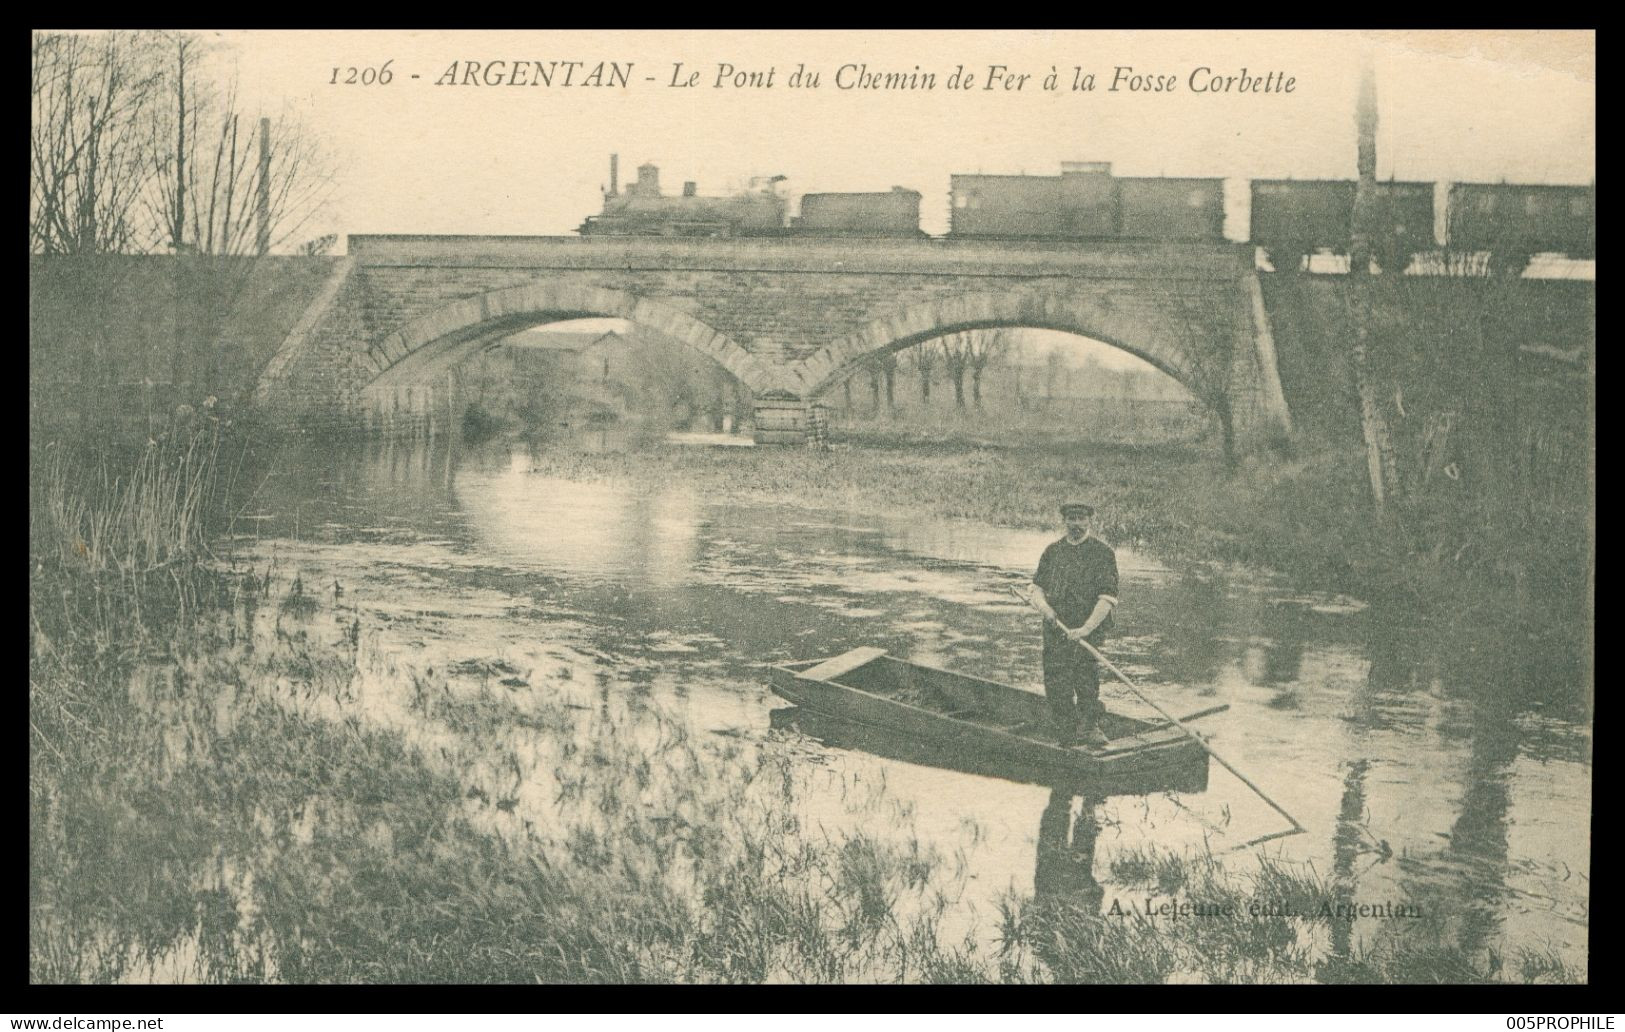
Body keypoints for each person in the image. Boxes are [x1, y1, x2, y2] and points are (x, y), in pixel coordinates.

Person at [1029, 502, 1119, 747]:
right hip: (1056, 630)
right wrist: (1045, 609)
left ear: (1090, 521)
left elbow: (1107, 599)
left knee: (1086, 680)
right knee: (1057, 682)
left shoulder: (1102, 554)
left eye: (1081, 518)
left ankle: (1090, 727)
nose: (1076, 524)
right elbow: (1036, 590)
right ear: (1064, 520)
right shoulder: (1053, 551)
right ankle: (1066, 732)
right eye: (1071, 518)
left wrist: (1087, 629)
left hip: (1087, 632)